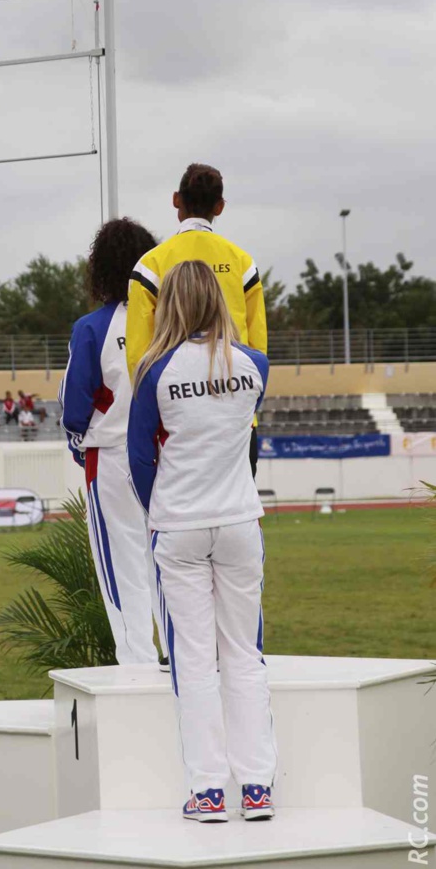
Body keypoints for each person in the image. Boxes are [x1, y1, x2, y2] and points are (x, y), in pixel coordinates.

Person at [128, 260, 276, 823]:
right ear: (219, 299)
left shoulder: (154, 371)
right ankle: (257, 787)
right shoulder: (256, 366)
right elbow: (240, 434)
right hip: (240, 521)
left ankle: (210, 792)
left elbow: (141, 456)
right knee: (244, 655)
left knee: (194, 660)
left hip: (180, 526)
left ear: (168, 305)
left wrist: (158, 509)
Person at [59, 217, 167, 667]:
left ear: (100, 268)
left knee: (122, 568)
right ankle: (179, 657)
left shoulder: (91, 327)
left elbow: (72, 406)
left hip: (111, 458)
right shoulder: (167, 321)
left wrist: (80, 444)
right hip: (166, 454)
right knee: (167, 560)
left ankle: (138, 665)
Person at [126, 163, 267, 477]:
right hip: (237, 421)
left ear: (176, 199)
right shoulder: (243, 263)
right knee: (240, 512)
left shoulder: (150, 265)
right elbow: (258, 350)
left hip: (175, 421)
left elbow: (137, 357)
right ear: (219, 207)